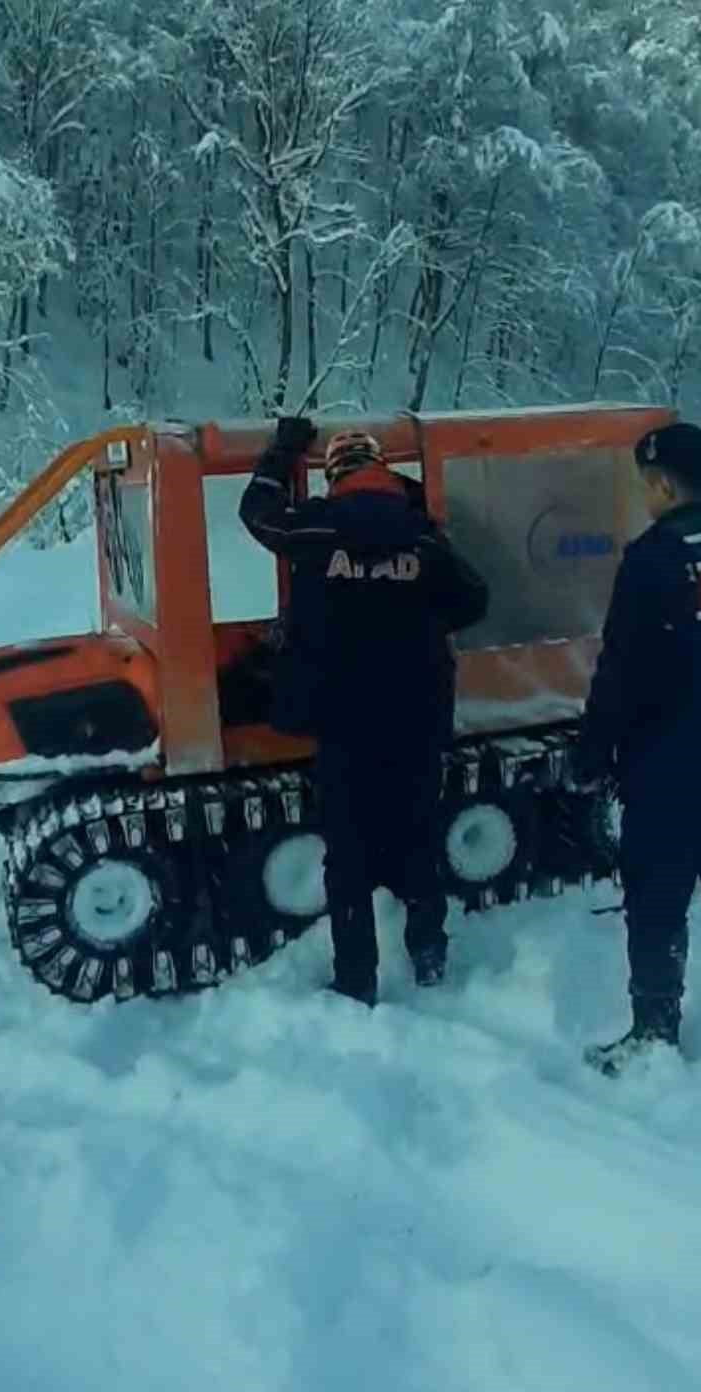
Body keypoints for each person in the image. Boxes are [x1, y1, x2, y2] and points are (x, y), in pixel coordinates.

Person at [240, 418, 489, 1006]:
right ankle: (428, 953)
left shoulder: (318, 525)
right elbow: (473, 600)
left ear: (334, 476)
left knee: (348, 855)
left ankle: (357, 978)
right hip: (417, 715)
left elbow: (258, 513)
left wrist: (282, 451)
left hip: (344, 719)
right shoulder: (423, 537)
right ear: (383, 471)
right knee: (419, 836)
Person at [570, 422, 701, 1075]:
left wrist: (591, 755)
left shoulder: (656, 555)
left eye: (645, 486)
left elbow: (621, 672)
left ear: (660, 483)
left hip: (670, 761)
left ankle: (654, 1030)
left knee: (656, 895)